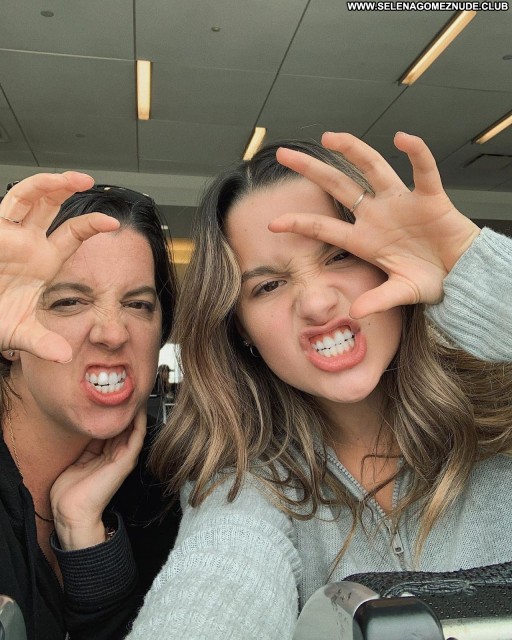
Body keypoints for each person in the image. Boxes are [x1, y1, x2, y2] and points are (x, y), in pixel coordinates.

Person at [127, 132, 512, 639]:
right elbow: (217, 580)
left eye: (340, 256)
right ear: (241, 329)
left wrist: (472, 265)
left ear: (389, 265)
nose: (315, 303)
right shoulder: (242, 479)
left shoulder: (500, 406)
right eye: (268, 285)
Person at [0, 175, 181, 640]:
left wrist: (87, 542)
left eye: (138, 304)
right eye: (69, 301)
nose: (113, 333)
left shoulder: (171, 480)